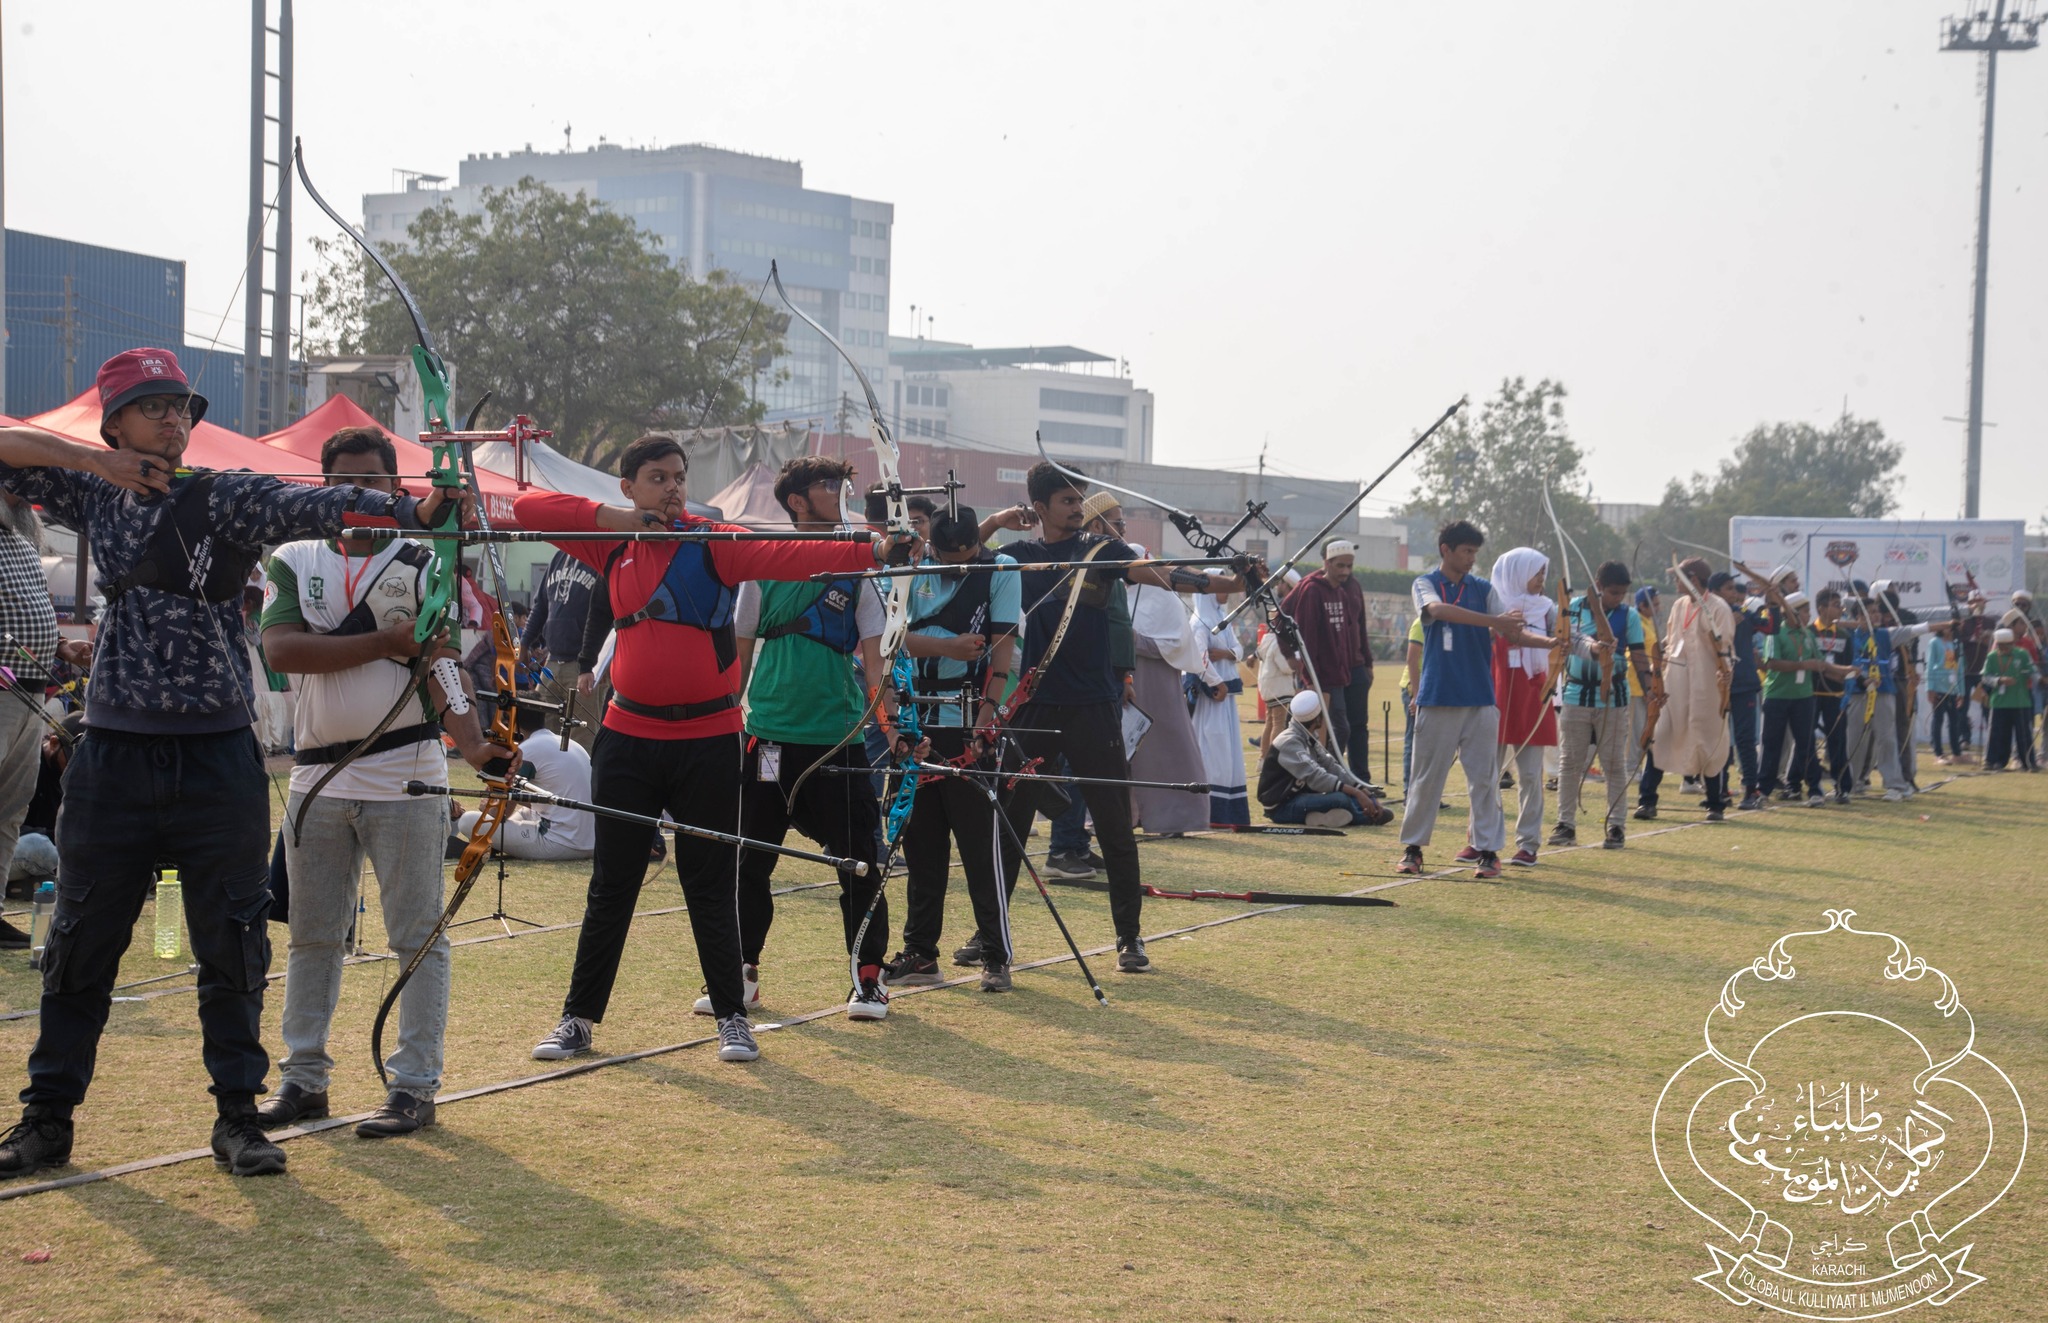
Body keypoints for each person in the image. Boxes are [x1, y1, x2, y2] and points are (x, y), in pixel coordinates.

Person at [0, 347, 460, 1181]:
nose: (176, 422)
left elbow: (311, 500)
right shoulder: (89, 487)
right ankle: (45, 1122)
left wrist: (418, 510)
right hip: (113, 755)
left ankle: (239, 1119)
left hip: (217, 755)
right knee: (79, 944)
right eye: (155, 408)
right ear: (115, 424)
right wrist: (86, 457)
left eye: (182, 408)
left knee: (235, 945)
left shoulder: (223, 493)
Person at [514, 435, 901, 1067]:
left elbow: (793, 553)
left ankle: (731, 1018)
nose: (672, 488)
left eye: (679, 477)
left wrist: (873, 547)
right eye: (656, 478)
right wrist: (616, 522)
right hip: (628, 739)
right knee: (612, 883)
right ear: (629, 487)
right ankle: (578, 1019)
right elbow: (529, 510)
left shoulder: (714, 542)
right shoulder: (611, 539)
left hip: (708, 741)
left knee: (712, 883)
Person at [255, 425, 517, 1139]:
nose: (362, 496)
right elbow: (282, 649)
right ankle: (303, 1078)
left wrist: (475, 744)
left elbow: (442, 665)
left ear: (401, 488)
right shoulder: (294, 556)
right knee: (312, 936)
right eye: (346, 483)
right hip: (318, 776)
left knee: (416, 936)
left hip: (406, 773)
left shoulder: (423, 560)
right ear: (324, 487)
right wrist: (382, 644)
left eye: (376, 482)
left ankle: (414, 1085)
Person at [729, 456, 910, 1022]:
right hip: (767, 739)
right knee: (748, 864)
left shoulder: (857, 567)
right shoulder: (762, 563)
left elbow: (876, 664)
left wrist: (894, 729)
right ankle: (739, 976)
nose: (841, 494)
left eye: (842, 485)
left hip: (837, 741)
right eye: (828, 487)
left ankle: (867, 980)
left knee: (860, 863)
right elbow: (738, 655)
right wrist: (724, 723)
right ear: (798, 503)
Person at [997, 461, 1192, 973]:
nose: (1077, 509)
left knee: (1113, 827)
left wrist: (1221, 581)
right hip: (1037, 703)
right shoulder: (1021, 554)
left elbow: (1162, 575)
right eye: (1066, 500)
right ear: (1040, 509)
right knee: (1009, 824)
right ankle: (990, 934)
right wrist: (996, 521)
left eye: (1079, 499)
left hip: (1094, 705)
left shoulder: (1103, 551)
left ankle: (1129, 936)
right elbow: (957, 557)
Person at [885, 503, 1020, 992]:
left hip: (969, 725)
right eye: (950, 557)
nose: (961, 564)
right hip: (915, 722)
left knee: (979, 846)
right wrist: (942, 648)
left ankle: (995, 953)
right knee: (921, 844)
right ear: (932, 547)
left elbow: (1001, 651)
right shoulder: (909, 570)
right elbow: (889, 641)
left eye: (970, 555)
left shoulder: (1000, 570)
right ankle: (920, 953)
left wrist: (985, 723)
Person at [1396, 521, 1555, 878]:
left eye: (1474, 553)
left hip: (1481, 699)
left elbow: (1512, 630)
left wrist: (1553, 643)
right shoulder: (1425, 584)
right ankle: (1413, 849)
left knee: (1484, 779)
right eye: (1466, 552)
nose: (1471, 559)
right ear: (1445, 550)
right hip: (1438, 696)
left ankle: (1488, 852)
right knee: (1426, 779)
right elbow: (1437, 612)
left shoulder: (1482, 588)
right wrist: (1493, 620)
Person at [0, 489, 89, 948]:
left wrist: (60, 646)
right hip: (3, 688)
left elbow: (25, 606)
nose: (22, 492)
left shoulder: (22, 535)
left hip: (27, 688)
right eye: (11, 481)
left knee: (10, 810)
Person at [1551, 561, 1649, 849]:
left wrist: (1651, 690)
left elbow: (1640, 655)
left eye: (1622, 593)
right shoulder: (1573, 608)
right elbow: (1564, 637)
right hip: (1575, 695)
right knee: (1569, 763)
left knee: (1613, 765)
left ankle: (1616, 826)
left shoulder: (1628, 615)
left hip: (1614, 698)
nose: (1618, 598)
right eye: (1613, 592)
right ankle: (1565, 824)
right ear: (1599, 586)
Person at [1487, 547, 1563, 866]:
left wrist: (1591, 645)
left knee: (1530, 775)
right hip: (1495, 694)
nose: (1542, 579)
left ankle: (1528, 844)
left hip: (1533, 695)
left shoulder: (1547, 610)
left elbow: (1568, 638)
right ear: (1516, 573)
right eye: (1536, 573)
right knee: (1485, 774)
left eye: (1544, 573)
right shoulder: (1492, 604)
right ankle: (1482, 840)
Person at [1839, 586, 1948, 801]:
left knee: (1886, 739)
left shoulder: (1886, 634)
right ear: (1859, 617)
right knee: (1853, 740)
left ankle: (1895, 786)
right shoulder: (1849, 637)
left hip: (1883, 692)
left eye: (1878, 612)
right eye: (1871, 612)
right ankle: (1851, 783)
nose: (1877, 615)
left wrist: (1948, 624)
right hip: (1857, 693)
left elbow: (1917, 629)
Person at [1645, 559, 1734, 821]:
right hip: (1675, 687)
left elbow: (1725, 648)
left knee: (1709, 742)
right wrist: (1657, 659)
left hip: (1708, 688)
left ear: (1693, 580)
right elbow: (1672, 639)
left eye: (1679, 578)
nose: (1674, 583)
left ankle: (1715, 804)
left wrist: (1725, 675)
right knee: (1660, 736)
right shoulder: (1678, 605)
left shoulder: (1718, 608)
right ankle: (1647, 801)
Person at [1281, 540, 1376, 783]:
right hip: (1323, 674)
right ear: (1327, 561)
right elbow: (1293, 625)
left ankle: (1350, 778)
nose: (1345, 571)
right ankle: (1328, 779)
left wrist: (1367, 662)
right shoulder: (1311, 588)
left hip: (1347, 671)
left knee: (1351, 728)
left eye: (1349, 566)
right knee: (1332, 730)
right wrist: (1292, 657)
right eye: (1340, 565)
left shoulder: (1346, 588)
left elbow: (1356, 628)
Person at [454, 701, 595, 860]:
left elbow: (498, 814)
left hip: (560, 843)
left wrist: (487, 803)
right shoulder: (568, 742)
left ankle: (491, 846)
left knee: (467, 821)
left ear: (513, 724)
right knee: (526, 812)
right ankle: (499, 845)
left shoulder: (527, 749)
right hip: (591, 842)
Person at [1756, 592, 1846, 808]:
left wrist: (1847, 672)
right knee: (1772, 745)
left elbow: (1821, 664)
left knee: (1807, 745)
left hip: (1803, 698)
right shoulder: (1775, 633)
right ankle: (1763, 791)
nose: (1808, 615)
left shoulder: (1807, 634)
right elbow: (1772, 663)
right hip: (1777, 696)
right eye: (1805, 611)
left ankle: (1815, 790)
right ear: (1792, 612)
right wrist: (1803, 665)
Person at [1258, 691, 1390, 826]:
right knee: (1341, 799)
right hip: (1281, 807)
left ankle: (1318, 818)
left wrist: (1366, 793)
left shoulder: (1308, 735)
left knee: (1348, 796)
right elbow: (1316, 777)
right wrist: (1356, 793)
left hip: (1301, 797)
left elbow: (1331, 766)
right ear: (1317, 718)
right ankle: (1367, 818)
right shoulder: (1289, 742)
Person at [1190, 575, 1250, 825]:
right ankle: (1209, 811)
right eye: (1220, 587)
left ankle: (1227, 813)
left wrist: (1225, 654)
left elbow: (1239, 650)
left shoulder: (1222, 621)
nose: (1226, 592)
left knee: (1228, 753)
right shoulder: (1197, 623)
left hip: (1225, 698)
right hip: (1210, 699)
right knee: (1211, 750)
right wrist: (1218, 683)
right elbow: (1200, 659)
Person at [1709, 572, 1770, 810]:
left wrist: (1773, 601)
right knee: (1720, 739)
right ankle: (1720, 791)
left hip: (1744, 684)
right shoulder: (1708, 615)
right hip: (1717, 684)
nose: (1734, 593)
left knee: (1745, 740)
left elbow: (1770, 627)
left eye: (1735, 588)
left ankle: (1750, 791)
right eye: (1728, 588)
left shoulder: (1744, 613)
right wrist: (1725, 625)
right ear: (1714, 592)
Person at [1808, 588, 1854, 801]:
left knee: (1837, 741)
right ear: (1821, 608)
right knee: (1807, 741)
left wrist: (1842, 676)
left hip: (1835, 695)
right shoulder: (1809, 632)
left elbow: (1848, 667)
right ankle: (1811, 785)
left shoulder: (1844, 635)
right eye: (1836, 605)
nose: (1840, 609)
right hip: (1810, 694)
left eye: (1840, 605)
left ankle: (1841, 786)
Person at [1975, 629, 2038, 771]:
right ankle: (1993, 762)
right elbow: (1985, 677)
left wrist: (2040, 680)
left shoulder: (2022, 654)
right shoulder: (1991, 657)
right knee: (1997, 733)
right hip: (1999, 702)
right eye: (2000, 645)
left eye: (2007, 645)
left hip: (2020, 701)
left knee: (2024, 734)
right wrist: (1999, 680)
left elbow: (2032, 671)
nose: (2003, 648)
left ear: (2012, 643)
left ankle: (2028, 763)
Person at [1926, 626, 1970, 766]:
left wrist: (1961, 692)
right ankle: (1938, 753)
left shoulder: (1958, 644)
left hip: (1953, 688)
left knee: (1954, 721)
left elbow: (1960, 668)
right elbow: (1930, 665)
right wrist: (1930, 688)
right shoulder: (1934, 642)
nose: (1949, 629)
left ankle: (1956, 753)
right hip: (1938, 686)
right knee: (1938, 719)